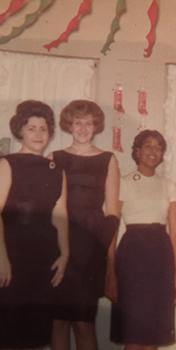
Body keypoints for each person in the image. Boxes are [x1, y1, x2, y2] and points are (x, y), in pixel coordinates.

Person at [50, 100, 120, 350]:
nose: (82, 128)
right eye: (77, 122)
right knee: (57, 321)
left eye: (88, 123)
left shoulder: (108, 159)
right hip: (59, 243)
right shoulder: (55, 157)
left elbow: (112, 212)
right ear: (69, 125)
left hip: (91, 246)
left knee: (83, 322)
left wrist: (102, 251)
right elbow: (50, 205)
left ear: (96, 126)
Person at [0, 100, 69, 349]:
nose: (39, 134)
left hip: (44, 257)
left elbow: (60, 213)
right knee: (9, 333)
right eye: (31, 128)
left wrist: (65, 254)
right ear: (20, 130)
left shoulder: (56, 169)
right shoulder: (7, 163)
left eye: (43, 128)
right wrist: (2, 258)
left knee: (36, 334)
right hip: (12, 255)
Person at [110, 129, 176, 350]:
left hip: (160, 259)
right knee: (133, 336)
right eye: (148, 146)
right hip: (131, 257)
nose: (153, 151)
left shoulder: (168, 185)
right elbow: (112, 230)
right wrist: (110, 274)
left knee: (153, 337)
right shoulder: (122, 182)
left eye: (158, 147)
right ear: (137, 151)